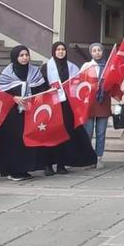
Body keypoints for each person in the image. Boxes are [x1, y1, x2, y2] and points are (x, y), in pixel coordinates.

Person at [40, 42, 98, 174]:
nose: (61, 52)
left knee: (65, 136)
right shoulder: (45, 68)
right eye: (58, 49)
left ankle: (62, 164)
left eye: (63, 49)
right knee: (51, 136)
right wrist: (50, 90)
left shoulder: (72, 67)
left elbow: (78, 85)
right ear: (53, 51)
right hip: (52, 107)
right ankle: (48, 165)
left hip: (67, 107)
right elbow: (41, 87)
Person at [0, 45, 47, 181]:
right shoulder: (7, 73)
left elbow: (42, 90)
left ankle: (24, 169)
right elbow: (0, 93)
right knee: (14, 142)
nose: (24, 58)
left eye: (26, 55)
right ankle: (13, 170)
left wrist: (37, 98)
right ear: (15, 57)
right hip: (13, 114)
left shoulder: (35, 72)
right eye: (21, 55)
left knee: (27, 140)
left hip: (30, 112)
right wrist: (13, 98)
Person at [80, 43, 111, 168]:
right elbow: (80, 83)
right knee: (88, 132)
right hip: (90, 102)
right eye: (94, 50)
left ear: (102, 52)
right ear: (91, 53)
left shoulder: (108, 66)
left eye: (99, 50)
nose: (97, 52)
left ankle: (99, 157)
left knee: (101, 132)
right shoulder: (87, 66)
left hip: (103, 102)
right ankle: (88, 157)